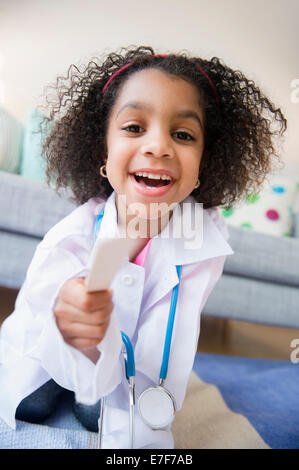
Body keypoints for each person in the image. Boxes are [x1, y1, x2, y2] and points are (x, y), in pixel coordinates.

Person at [0, 46, 287, 449]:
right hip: (47, 348)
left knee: (98, 411)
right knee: (34, 400)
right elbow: (47, 307)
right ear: (104, 151)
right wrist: (73, 328)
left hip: (119, 359)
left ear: (204, 163)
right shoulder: (74, 234)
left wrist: (144, 408)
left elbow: (172, 334)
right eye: (134, 128)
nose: (158, 146)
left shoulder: (204, 240)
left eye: (183, 134)